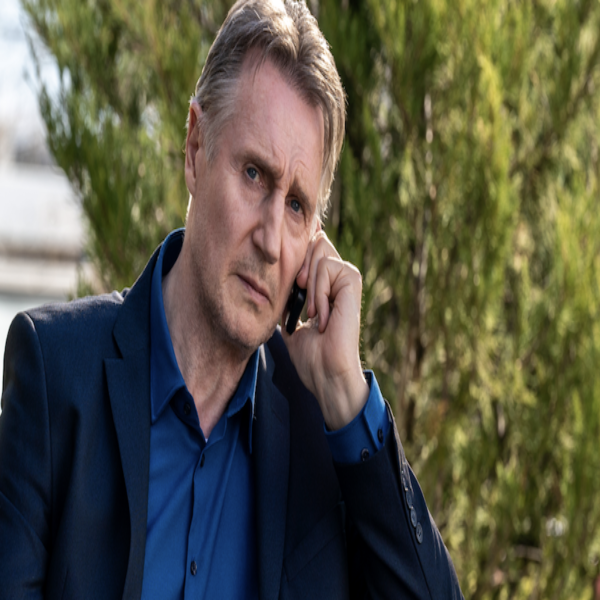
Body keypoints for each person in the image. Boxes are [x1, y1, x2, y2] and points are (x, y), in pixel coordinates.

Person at [0, 0, 463, 598]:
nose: (271, 240)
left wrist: (345, 393)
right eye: (254, 174)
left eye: (296, 205)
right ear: (195, 148)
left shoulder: (325, 441)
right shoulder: (56, 373)